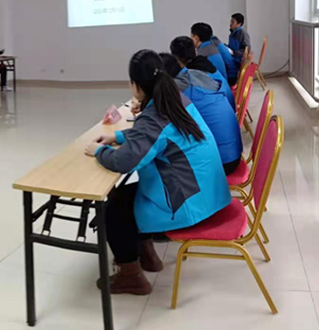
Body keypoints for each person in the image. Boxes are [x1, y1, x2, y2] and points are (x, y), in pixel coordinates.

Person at [85, 50, 230, 295]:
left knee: (115, 210)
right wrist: (118, 136)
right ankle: (147, 256)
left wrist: (98, 151)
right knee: (130, 193)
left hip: (187, 204)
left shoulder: (154, 116)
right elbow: (159, 135)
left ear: (136, 84)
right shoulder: (176, 99)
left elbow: (124, 162)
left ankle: (131, 277)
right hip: (208, 193)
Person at [162, 49, 243, 175]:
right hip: (233, 153)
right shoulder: (194, 74)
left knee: (163, 161)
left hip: (221, 162)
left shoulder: (178, 88)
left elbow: (160, 123)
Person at [190, 23, 235, 108]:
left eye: (191, 37)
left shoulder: (202, 55)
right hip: (225, 88)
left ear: (196, 38)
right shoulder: (212, 46)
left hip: (221, 94)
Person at [228, 12, 252, 78]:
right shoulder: (232, 33)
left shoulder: (242, 33)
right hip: (233, 57)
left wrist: (234, 52)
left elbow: (246, 49)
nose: (230, 24)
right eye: (231, 21)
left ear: (239, 24)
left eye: (233, 22)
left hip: (238, 60)